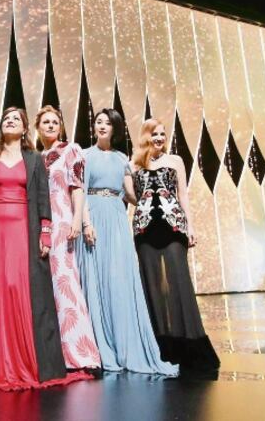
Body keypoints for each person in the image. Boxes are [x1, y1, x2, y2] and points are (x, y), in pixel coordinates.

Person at [0, 107, 92, 390]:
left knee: (21, 287)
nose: (10, 121)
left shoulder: (33, 158)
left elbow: (41, 196)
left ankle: (28, 358)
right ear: (0, 126)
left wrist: (45, 232)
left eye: (16, 119)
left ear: (25, 128)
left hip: (24, 229)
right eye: (6, 118)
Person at [78, 108, 177, 377]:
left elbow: (131, 195)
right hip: (94, 217)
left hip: (117, 219)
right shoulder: (85, 156)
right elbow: (81, 192)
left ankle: (124, 343)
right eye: (98, 122)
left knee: (118, 279)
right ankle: (98, 347)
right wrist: (86, 223)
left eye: (107, 123)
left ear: (115, 129)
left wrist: (155, 196)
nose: (101, 126)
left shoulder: (123, 158)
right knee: (96, 280)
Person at [131, 118, 220, 373]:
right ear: (145, 136)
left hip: (173, 225)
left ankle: (192, 346)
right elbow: (130, 196)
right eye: (154, 134)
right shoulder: (133, 164)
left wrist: (190, 226)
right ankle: (162, 347)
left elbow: (183, 195)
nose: (159, 138)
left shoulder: (176, 161)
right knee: (153, 287)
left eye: (162, 134)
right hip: (145, 228)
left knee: (178, 284)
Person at [34, 105, 101, 371]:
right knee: (46, 288)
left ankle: (79, 351)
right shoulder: (37, 156)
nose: (50, 126)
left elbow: (77, 188)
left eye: (54, 122)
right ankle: (52, 352)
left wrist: (78, 221)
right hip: (41, 225)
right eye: (45, 122)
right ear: (38, 128)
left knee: (66, 284)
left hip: (63, 222)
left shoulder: (71, 149)